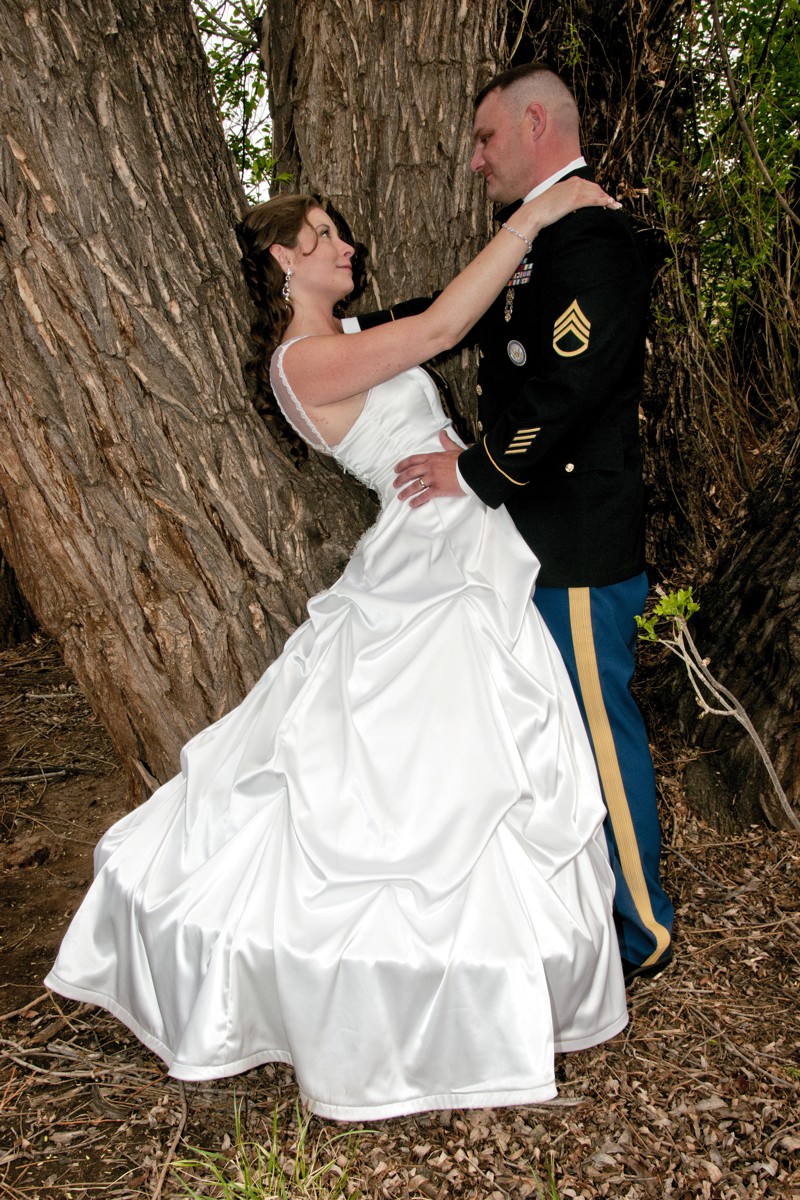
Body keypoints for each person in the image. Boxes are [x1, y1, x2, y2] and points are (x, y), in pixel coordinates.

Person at [46, 181, 628, 1123]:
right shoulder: (301, 362)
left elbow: (442, 336)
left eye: (339, 231)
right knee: (415, 772)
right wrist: (538, 214)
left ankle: (493, 975)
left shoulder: (349, 340)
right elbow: (442, 329)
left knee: (469, 757)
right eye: (321, 237)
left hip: (458, 527)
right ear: (282, 260)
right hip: (425, 546)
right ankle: (401, 995)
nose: (345, 246)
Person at [388, 64, 674, 985]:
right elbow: (460, 320)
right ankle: (591, 908)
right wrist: (346, 335)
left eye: (486, 139)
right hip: (536, 538)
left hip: (577, 539)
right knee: (555, 731)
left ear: (536, 122)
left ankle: (645, 930)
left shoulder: (594, 238)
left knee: (599, 726)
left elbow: (568, 388)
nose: (476, 161)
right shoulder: (546, 233)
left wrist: (475, 471)